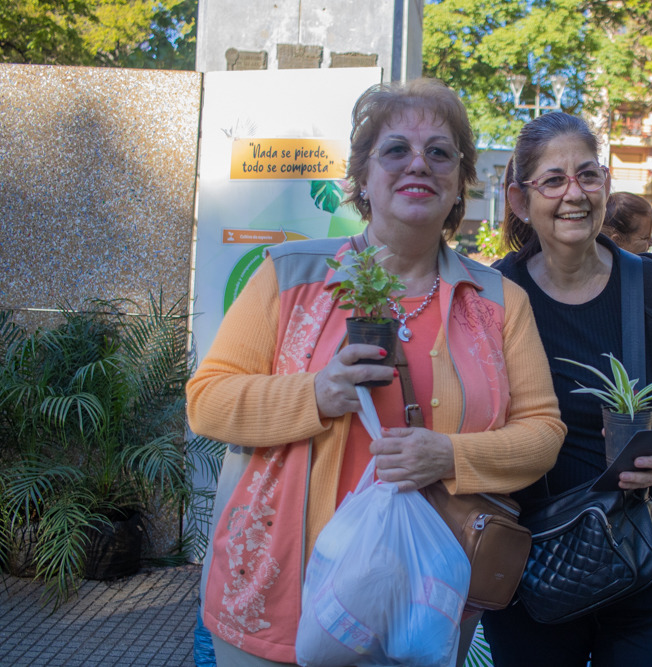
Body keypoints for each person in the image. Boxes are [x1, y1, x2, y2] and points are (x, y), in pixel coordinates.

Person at [186, 78, 566, 666]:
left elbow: (543, 432)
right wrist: (315, 393)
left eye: (440, 152)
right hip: (280, 591)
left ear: (459, 183)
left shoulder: (498, 301)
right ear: (362, 176)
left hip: (422, 598)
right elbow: (207, 401)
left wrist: (450, 456)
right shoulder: (290, 276)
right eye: (396, 150)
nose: (419, 163)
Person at [481, 112, 652, 667]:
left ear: (605, 183)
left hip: (645, 574)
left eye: (587, 176)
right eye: (553, 180)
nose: (573, 194)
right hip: (530, 576)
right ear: (518, 198)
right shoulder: (493, 298)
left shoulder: (648, 288)